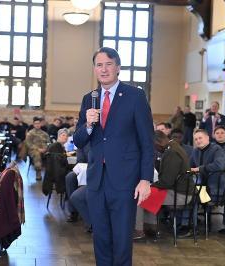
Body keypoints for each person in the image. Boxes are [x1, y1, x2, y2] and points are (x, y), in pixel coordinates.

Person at [73, 47, 154, 266]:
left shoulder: (135, 96)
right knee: (100, 237)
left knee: (121, 238)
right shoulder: (88, 99)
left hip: (125, 180)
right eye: (99, 65)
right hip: (97, 180)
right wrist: (88, 124)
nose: (104, 69)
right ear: (94, 69)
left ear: (118, 68)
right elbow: (79, 140)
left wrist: (146, 179)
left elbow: (147, 142)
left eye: (109, 64)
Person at [134, 130, 193, 239]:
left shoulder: (171, 153)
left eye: (154, 146)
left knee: (141, 195)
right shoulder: (173, 147)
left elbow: (166, 182)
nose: (155, 149)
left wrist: (151, 186)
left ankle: (138, 231)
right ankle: (150, 227)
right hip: (178, 190)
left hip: (180, 195)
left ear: (158, 142)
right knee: (148, 193)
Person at [190, 129, 225, 195]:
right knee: (184, 194)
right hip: (200, 186)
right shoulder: (195, 151)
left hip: (215, 187)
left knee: (192, 198)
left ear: (207, 138)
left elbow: (219, 165)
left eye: (200, 138)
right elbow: (189, 166)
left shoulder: (217, 149)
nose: (198, 141)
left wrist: (199, 169)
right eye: (196, 139)